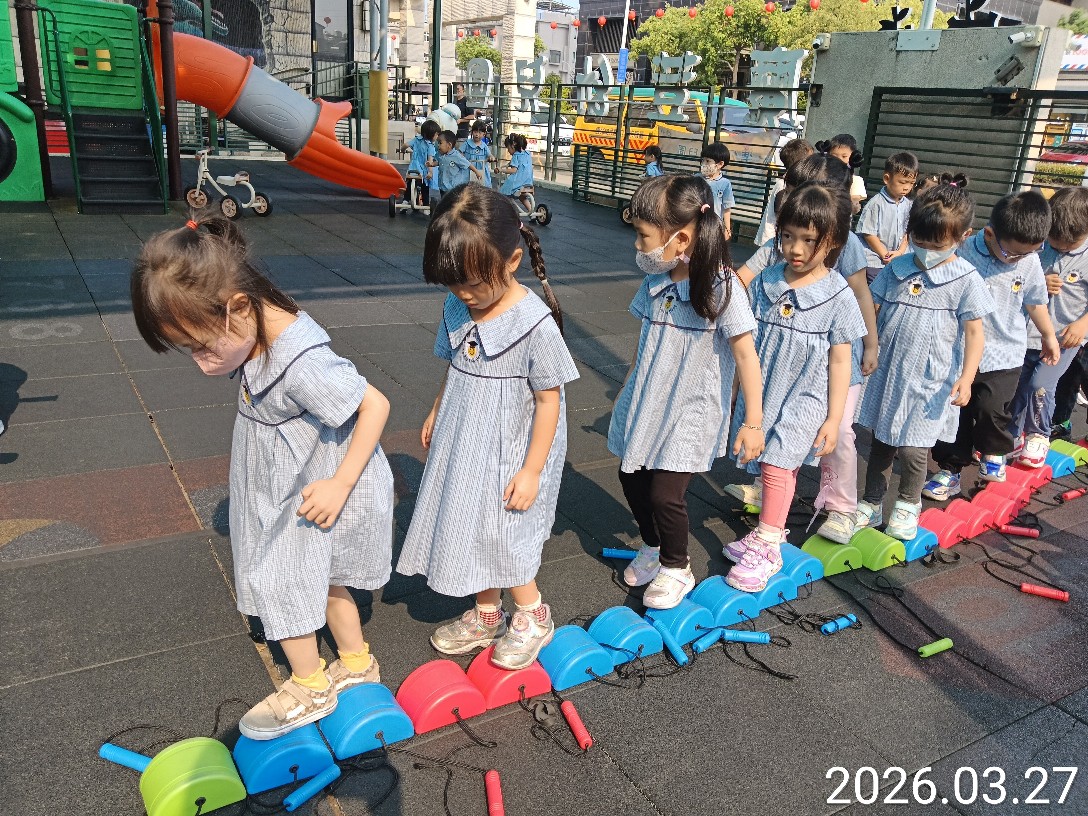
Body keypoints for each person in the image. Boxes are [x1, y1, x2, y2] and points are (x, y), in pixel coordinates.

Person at [130, 215, 394, 740]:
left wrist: (340, 484)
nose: (200, 362)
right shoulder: (253, 325)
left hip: (313, 486)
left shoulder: (302, 361)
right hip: (289, 478)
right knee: (322, 576)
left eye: (201, 345)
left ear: (239, 307)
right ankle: (357, 663)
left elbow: (376, 404)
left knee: (280, 578)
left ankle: (310, 684)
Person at [396, 185, 579, 670]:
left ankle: (533, 614)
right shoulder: (458, 305)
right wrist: (438, 407)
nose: (463, 293)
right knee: (469, 520)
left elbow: (549, 401)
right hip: (466, 432)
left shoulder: (534, 324)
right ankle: (487, 613)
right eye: (452, 283)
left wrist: (532, 470)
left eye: (474, 283)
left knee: (502, 531)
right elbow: (455, 364)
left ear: (512, 260)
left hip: (513, 447)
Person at [608, 175, 764, 608]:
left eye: (644, 237)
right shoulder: (655, 283)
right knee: (630, 476)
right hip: (648, 399)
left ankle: (677, 566)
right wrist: (627, 389)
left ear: (680, 239)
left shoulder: (722, 288)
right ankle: (653, 545)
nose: (638, 246)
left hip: (691, 408)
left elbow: (747, 356)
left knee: (665, 493)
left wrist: (753, 422)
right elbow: (644, 345)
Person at [724, 183, 867, 592]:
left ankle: (770, 541)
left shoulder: (837, 294)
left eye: (808, 240)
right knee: (767, 459)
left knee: (777, 463)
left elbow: (841, 360)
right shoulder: (766, 281)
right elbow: (746, 344)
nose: (795, 249)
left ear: (832, 241)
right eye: (787, 236)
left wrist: (834, 418)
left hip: (807, 394)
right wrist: (735, 390)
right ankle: (765, 531)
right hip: (766, 387)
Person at [855, 178, 994, 540]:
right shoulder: (899, 267)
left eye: (938, 245)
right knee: (881, 441)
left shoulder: (965, 279)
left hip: (930, 378)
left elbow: (975, 333)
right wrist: (867, 346)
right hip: (889, 371)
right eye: (920, 241)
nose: (927, 250)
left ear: (963, 237)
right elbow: (873, 307)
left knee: (914, 448)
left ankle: (907, 503)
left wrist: (967, 377)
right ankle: (871, 502)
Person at [925, 190, 1060, 496]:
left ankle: (993, 452)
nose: (1021, 258)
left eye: (1031, 252)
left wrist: (1049, 336)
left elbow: (1035, 302)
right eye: (1014, 253)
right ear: (989, 234)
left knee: (992, 409)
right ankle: (950, 470)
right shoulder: (963, 252)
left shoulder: (1028, 262)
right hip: (959, 352)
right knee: (954, 414)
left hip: (1004, 353)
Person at [1008, 185, 1088, 464]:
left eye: (1067, 243)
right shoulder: (1041, 248)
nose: (1059, 247)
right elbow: (1020, 278)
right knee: (1018, 386)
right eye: (1054, 241)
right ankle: (1011, 436)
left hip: (1065, 337)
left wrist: (1082, 325)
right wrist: (1040, 280)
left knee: (1040, 384)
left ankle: (1038, 435)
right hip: (1028, 333)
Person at [856, 152, 918, 283]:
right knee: (876, 289)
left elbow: (907, 232)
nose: (907, 187)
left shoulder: (909, 205)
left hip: (899, 260)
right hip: (875, 261)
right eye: (902, 182)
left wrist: (900, 252)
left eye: (911, 183)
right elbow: (869, 234)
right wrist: (885, 254)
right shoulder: (876, 203)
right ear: (886, 178)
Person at [754, 138, 814, 246]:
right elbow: (781, 216)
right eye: (810, 160)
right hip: (773, 241)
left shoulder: (791, 183)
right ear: (800, 164)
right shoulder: (784, 185)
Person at [429, 130, 483, 201]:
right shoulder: (441, 155)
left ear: (449, 145)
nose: (438, 145)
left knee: (452, 203)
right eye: (438, 143)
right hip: (442, 186)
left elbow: (467, 164)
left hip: (453, 188)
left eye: (440, 143)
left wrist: (476, 172)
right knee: (444, 202)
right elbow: (439, 162)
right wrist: (432, 164)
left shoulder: (457, 156)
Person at [698, 141, 735, 240]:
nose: (704, 164)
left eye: (708, 161)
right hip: (696, 223)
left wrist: (727, 229)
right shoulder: (696, 178)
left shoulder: (725, 183)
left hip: (714, 227)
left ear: (720, 164)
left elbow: (727, 208)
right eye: (703, 160)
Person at [822, 134, 867, 212]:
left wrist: (854, 204)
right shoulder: (822, 175)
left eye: (844, 156)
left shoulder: (856, 180)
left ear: (853, 156)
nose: (839, 160)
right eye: (835, 156)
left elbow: (854, 205)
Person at [405, 119, 440, 206]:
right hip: (423, 172)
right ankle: (426, 205)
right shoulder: (430, 146)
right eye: (437, 134)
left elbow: (406, 145)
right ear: (432, 135)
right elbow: (430, 161)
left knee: (409, 186)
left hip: (413, 169)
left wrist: (402, 150)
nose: (437, 136)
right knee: (425, 188)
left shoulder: (417, 139)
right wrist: (430, 172)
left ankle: (405, 201)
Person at [500, 133, 535, 210]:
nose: (508, 151)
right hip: (528, 184)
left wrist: (502, 170)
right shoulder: (527, 154)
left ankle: (509, 211)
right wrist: (509, 164)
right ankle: (531, 211)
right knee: (522, 197)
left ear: (513, 146)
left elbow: (514, 170)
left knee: (503, 193)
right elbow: (521, 163)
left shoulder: (515, 156)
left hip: (517, 185)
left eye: (508, 148)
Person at [463, 119, 493, 187]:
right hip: (469, 171)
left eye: (479, 133)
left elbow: (489, 155)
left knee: (482, 187)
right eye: (475, 132)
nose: (477, 134)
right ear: (472, 132)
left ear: (484, 134)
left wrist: (491, 157)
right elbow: (460, 153)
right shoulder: (467, 143)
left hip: (481, 171)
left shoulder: (484, 146)